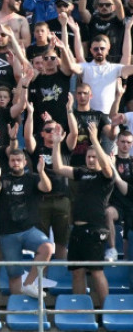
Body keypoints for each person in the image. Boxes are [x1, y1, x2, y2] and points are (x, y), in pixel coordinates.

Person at [49, 124, 115, 306]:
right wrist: (56, 145)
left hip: (95, 229)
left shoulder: (105, 177)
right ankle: (80, 311)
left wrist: (94, 140)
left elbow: (108, 168)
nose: (91, 160)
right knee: (77, 271)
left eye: (95, 157)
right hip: (77, 229)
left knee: (96, 271)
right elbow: (59, 168)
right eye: (89, 157)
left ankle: (106, 311)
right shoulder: (82, 173)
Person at [0, 148, 56, 297]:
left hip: (29, 230)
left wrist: (42, 172)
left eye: (19, 160)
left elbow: (47, 188)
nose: (16, 163)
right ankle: (19, 309)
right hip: (8, 233)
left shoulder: (33, 178)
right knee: (14, 275)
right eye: (13, 160)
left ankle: (29, 284)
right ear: (9, 162)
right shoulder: (3, 179)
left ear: (24, 162)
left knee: (47, 248)